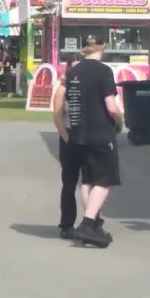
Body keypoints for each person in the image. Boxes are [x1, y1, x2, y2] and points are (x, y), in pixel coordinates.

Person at [53, 35, 123, 246]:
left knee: (87, 180)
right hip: (100, 132)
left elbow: (71, 104)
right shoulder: (104, 71)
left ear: (83, 49)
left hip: (78, 133)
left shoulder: (74, 72)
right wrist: (120, 119)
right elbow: (111, 106)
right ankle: (88, 223)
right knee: (105, 179)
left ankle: (91, 223)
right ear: (102, 47)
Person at [51, 56, 84, 239]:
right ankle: (67, 224)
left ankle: (91, 222)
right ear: (69, 70)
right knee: (69, 183)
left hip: (88, 138)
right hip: (69, 136)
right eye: (74, 68)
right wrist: (67, 138)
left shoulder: (88, 87)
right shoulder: (63, 89)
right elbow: (57, 118)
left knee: (91, 183)